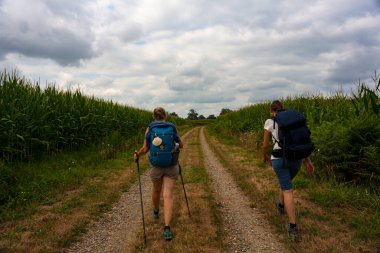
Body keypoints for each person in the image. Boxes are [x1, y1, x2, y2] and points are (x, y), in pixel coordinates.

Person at [262, 100, 314, 242]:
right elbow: (301, 140)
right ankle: (280, 204)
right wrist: (308, 161)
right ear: (282, 108)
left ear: (271, 110)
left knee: (288, 190)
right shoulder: (293, 120)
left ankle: (293, 227)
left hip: (280, 160)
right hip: (297, 158)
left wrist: (264, 157)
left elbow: (265, 144)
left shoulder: (270, 121)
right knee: (286, 184)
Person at [134, 107, 183, 241]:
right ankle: (167, 228)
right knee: (168, 195)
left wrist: (137, 154)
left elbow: (145, 148)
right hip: (171, 165)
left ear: (154, 116)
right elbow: (181, 144)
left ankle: (156, 211)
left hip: (156, 166)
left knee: (156, 190)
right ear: (165, 115)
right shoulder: (172, 127)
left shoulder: (150, 128)